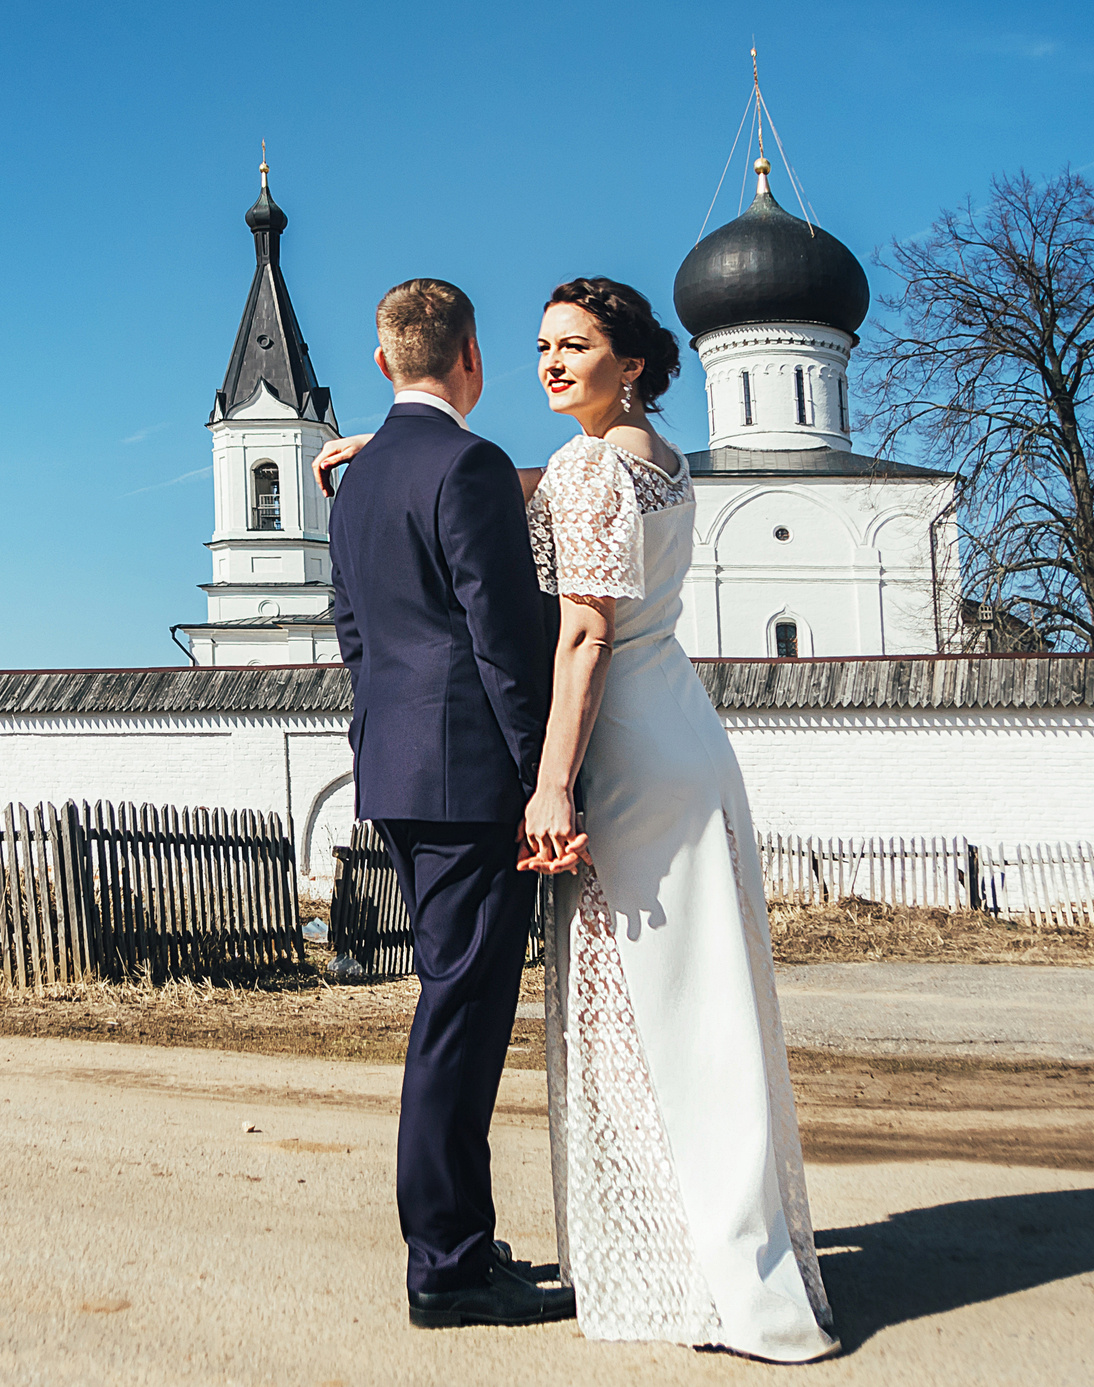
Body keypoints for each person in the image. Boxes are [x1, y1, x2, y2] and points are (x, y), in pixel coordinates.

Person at [319, 277, 838, 1362]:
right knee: (688, 995)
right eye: (543, 346)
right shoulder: (656, 462)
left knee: (650, 1003)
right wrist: (412, 440)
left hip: (602, 755)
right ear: (466, 359)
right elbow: (523, 517)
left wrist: (548, 782)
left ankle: (655, 1257)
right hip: (671, 734)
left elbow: (575, 633)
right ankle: (673, 1249)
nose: (551, 364)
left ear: (633, 362)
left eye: (576, 347)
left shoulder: (549, 469)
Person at [324, 277, 578, 1330]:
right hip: (470, 776)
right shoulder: (468, 464)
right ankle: (446, 1266)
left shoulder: (354, 478)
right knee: (459, 1016)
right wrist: (539, 778)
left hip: (397, 768)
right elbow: (501, 638)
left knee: (455, 1008)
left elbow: (351, 635)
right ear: (468, 357)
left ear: (384, 363)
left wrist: (378, 743)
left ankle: (460, 1239)